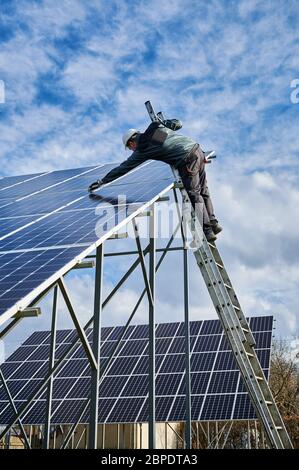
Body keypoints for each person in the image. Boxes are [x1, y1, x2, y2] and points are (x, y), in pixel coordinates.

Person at [88, 122, 222, 242]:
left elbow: (123, 168)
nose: (132, 150)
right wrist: (167, 123)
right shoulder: (156, 132)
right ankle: (214, 223)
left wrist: (102, 181)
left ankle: (207, 230)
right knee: (203, 190)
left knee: (194, 193)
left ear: (131, 142)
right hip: (197, 150)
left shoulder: (142, 148)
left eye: (130, 148)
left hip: (186, 159)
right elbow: (176, 126)